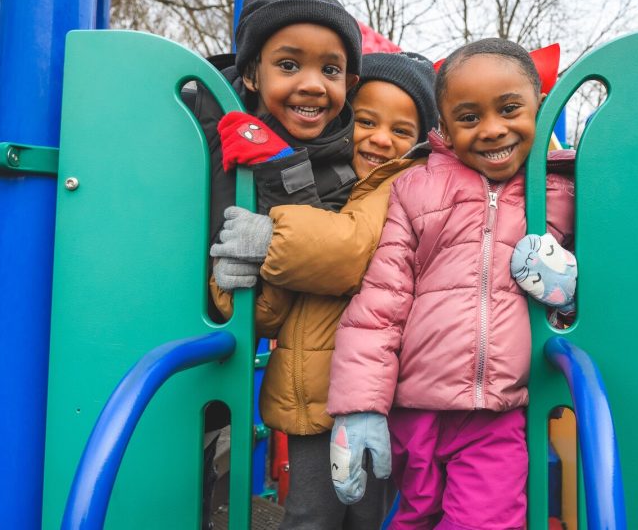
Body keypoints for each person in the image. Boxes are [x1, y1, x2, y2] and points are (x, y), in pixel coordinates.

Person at [326, 38, 577, 530]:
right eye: (468, 117)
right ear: (442, 125)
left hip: (498, 414)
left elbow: (593, 302)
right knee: (413, 517)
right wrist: (360, 406)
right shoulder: (417, 189)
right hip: (413, 409)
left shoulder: (562, 193)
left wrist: (567, 292)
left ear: (539, 107)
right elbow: (380, 304)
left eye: (509, 109)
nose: (492, 129)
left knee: (485, 520)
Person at [210, 52, 439, 529]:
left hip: (374, 392)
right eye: (368, 121)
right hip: (312, 388)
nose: (380, 139)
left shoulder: (402, 184)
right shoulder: (329, 186)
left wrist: (272, 237)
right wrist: (240, 281)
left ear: (419, 142)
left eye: (401, 131)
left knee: (355, 514)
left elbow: (350, 254)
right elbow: (275, 311)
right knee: (312, 514)